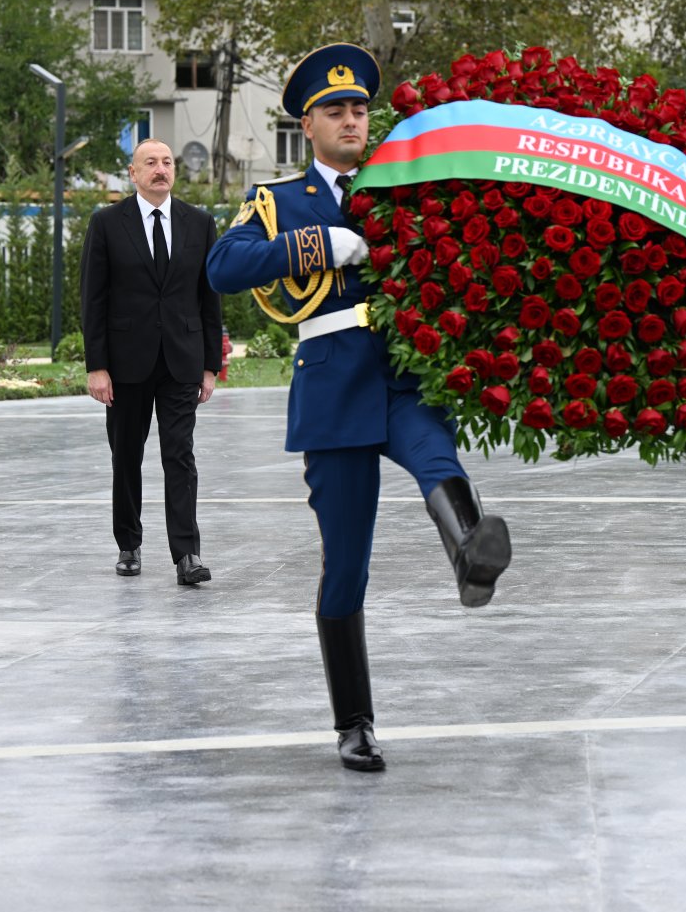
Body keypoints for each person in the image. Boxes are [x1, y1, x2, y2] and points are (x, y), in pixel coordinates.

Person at [205, 43, 512, 773]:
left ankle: (471, 551)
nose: (351, 119)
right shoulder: (281, 200)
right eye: (335, 110)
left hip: (404, 371)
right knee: (346, 566)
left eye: (358, 108)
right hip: (335, 379)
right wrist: (318, 244)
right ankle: (354, 723)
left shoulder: (403, 185)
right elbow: (224, 265)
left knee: (437, 455)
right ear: (306, 125)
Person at [81, 138, 223, 586]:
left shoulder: (199, 223)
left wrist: (209, 364)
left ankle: (188, 555)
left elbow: (209, 297)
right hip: (125, 364)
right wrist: (96, 366)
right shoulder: (106, 223)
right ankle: (129, 544)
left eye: (166, 162)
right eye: (151, 163)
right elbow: (93, 299)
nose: (161, 169)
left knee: (180, 456)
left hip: (181, 359)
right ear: (133, 172)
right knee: (126, 456)